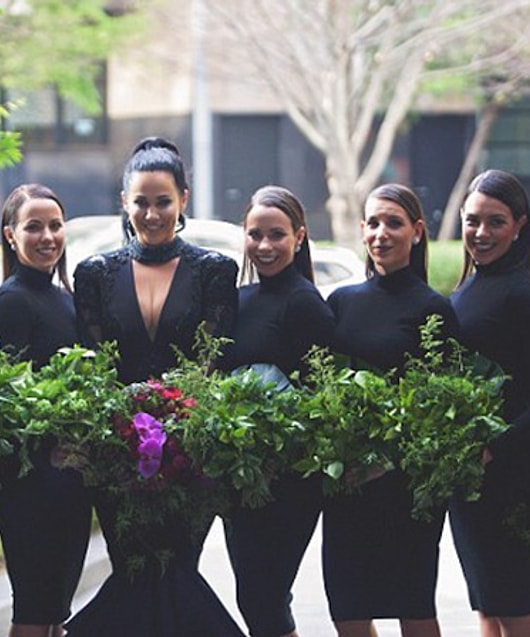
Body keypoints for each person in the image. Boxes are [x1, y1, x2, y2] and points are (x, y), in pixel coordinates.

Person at [70, 137, 241, 636]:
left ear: (183, 200)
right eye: (140, 201)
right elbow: (95, 372)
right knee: (134, 572)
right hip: (118, 460)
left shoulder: (214, 271)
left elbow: (214, 364)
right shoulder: (95, 274)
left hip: (190, 459)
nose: (151, 213)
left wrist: (178, 434)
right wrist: (124, 436)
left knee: (176, 573)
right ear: (124, 202)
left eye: (162, 201)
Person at [323, 183, 457, 637]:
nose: (381, 233)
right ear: (362, 230)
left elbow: (444, 409)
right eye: (374, 223)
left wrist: (390, 459)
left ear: (417, 232)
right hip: (348, 484)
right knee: (347, 607)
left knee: (414, 605)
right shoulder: (340, 303)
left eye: (394, 223)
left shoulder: (434, 309)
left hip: (408, 487)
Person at [448, 169, 530, 637]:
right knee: (487, 604)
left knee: (514, 607)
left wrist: (496, 446)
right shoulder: (467, 288)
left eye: (495, 222)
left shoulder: (521, 294)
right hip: (468, 475)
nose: (481, 233)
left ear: (520, 225)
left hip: (507, 477)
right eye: (472, 221)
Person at [220, 185, 335, 637]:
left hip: (290, 480)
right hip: (240, 474)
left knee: (265, 594)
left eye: (276, 235)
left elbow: (324, 399)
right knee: (253, 594)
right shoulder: (237, 300)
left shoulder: (306, 303)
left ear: (299, 237)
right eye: (255, 235)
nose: (264, 246)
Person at [0, 184, 92, 637]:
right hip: (27, 480)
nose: (47, 236)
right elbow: (0, 401)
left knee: (55, 607)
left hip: (68, 477)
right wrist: (49, 447)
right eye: (33, 227)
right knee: (33, 605)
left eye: (54, 225)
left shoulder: (66, 298)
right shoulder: (10, 302)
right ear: (10, 235)